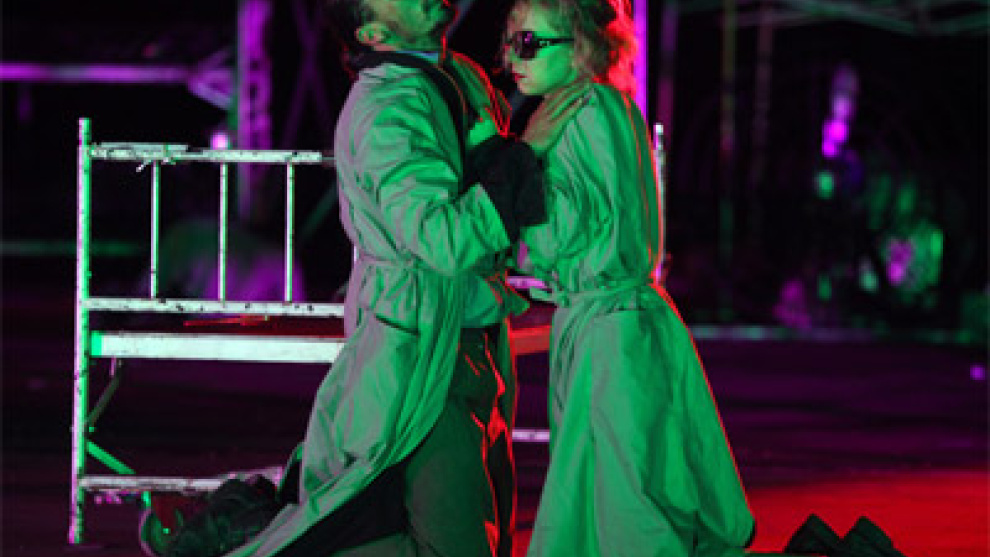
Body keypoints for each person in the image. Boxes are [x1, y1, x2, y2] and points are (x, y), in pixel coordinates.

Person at [208, 1, 582, 557]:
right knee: (453, 543)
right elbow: (442, 239)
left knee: (479, 529)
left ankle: (248, 530)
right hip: (422, 340)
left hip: (465, 329)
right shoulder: (387, 106)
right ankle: (241, 537)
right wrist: (526, 154)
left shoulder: (457, 75)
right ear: (374, 31)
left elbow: (491, 203)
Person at [503, 1, 756, 555]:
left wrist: (518, 165)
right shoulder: (614, 105)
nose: (510, 58)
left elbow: (556, 235)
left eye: (527, 43)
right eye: (509, 41)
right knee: (635, 480)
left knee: (622, 502)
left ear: (580, 47)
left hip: (606, 334)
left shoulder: (570, 115)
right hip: (631, 322)